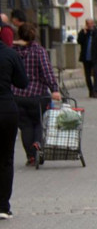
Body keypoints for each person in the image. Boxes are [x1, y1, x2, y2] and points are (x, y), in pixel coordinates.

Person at [11, 23, 61, 166]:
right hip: (38, 95)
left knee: (25, 125)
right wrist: (54, 89)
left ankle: (31, 156)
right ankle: (38, 143)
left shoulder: (12, 51)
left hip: (17, 94)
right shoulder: (39, 51)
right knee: (39, 121)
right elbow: (46, 71)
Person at [0, 35, 27, 219]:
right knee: (5, 158)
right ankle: (2, 206)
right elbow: (22, 82)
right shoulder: (10, 54)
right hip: (5, 109)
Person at [77, 18, 97, 98]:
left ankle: (95, 91)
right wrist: (84, 33)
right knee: (87, 76)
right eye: (88, 24)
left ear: (93, 24)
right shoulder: (83, 32)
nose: (89, 25)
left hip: (96, 57)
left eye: (91, 23)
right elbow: (79, 41)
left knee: (96, 73)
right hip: (86, 57)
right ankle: (90, 90)